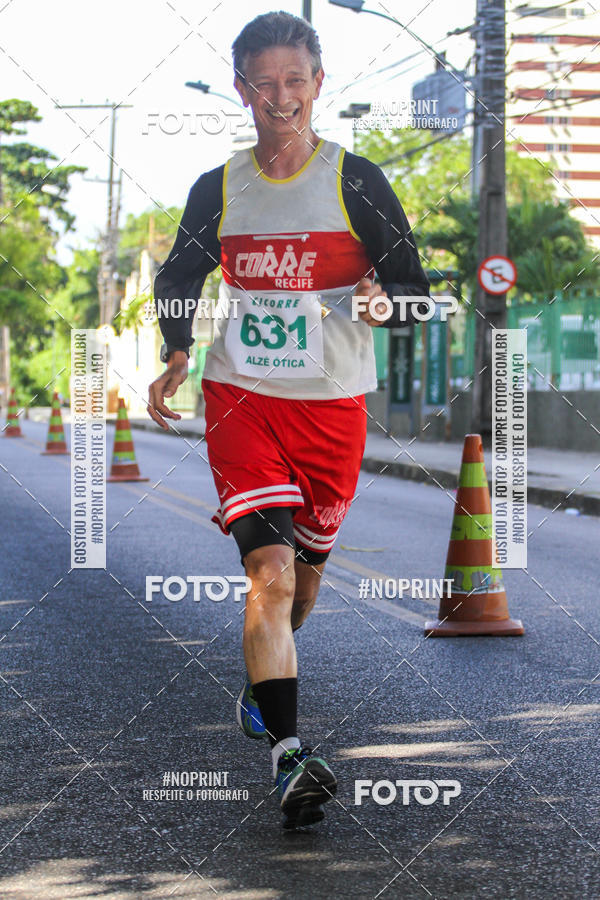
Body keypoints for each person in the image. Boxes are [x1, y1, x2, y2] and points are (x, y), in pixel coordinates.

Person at [148, 11, 430, 830]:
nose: (281, 96)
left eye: (295, 80)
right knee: (267, 576)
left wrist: (386, 302)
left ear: (318, 84)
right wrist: (176, 351)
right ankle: (289, 756)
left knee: (302, 586)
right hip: (241, 397)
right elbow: (179, 274)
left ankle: (262, 685)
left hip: (333, 409)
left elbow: (414, 289)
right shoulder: (219, 188)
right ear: (242, 90)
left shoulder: (357, 181)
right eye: (264, 82)